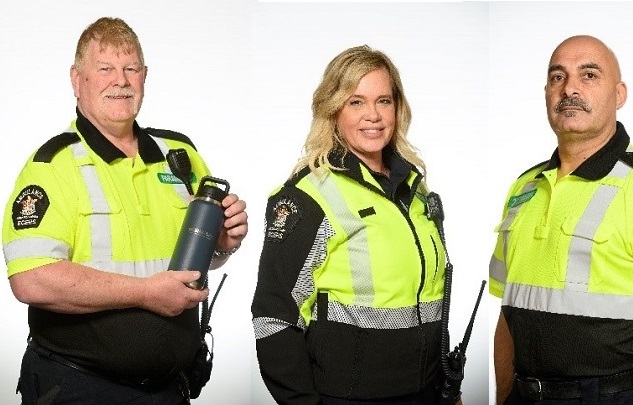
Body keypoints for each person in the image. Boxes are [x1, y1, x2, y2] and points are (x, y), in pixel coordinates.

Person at [2, 17, 248, 404]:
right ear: (77, 79)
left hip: (170, 388)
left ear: (144, 76)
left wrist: (223, 242)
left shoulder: (179, 155)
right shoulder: (53, 165)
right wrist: (145, 294)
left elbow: (200, 261)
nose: (120, 80)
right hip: (78, 387)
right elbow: (31, 279)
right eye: (105, 69)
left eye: (130, 69)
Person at [489, 35, 633, 405]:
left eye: (589, 75)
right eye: (557, 77)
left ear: (619, 95)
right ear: (546, 91)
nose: (570, 88)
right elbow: (510, 315)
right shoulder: (523, 188)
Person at [251, 45, 459, 404]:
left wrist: (449, 387)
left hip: (428, 392)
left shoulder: (415, 189)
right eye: (356, 102)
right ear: (333, 111)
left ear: (398, 108)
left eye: (384, 101)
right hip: (349, 397)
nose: (374, 115)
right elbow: (274, 315)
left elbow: (430, 299)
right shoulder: (308, 195)